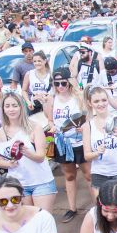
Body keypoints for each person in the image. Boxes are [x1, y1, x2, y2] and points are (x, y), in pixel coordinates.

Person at [0, 91, 57, 211]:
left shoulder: (34, 127)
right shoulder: (0, 133)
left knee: (42, 220)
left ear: (21, 107)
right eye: (7, 106)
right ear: (3, 109)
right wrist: (9, 163)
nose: (11, 109)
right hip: (18, 184)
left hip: (41, 181)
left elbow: (41, 157)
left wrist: (25, 151)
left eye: (15, 105)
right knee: (27, 222)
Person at [45, 67, 89, 222]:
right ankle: (72, 208)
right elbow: (49, 119)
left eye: (63, 83)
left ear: (69, 82)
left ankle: (98, 206)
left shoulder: (78, 97)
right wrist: (52, 126)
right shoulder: (52, 99)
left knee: (88, 174)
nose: (60, 87)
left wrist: (82, 127)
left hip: (79, 142)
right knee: (69, 175)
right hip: (63, 143)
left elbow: (87, 116)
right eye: (56, 84)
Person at [82, 85, 117, 203]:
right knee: (103, 211)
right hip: (100, 173)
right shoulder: (88, 126)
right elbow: (86, 156)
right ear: (90, 103)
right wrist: (97, 153)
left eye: (103, 100)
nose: (101, 104)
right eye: (96, 101)